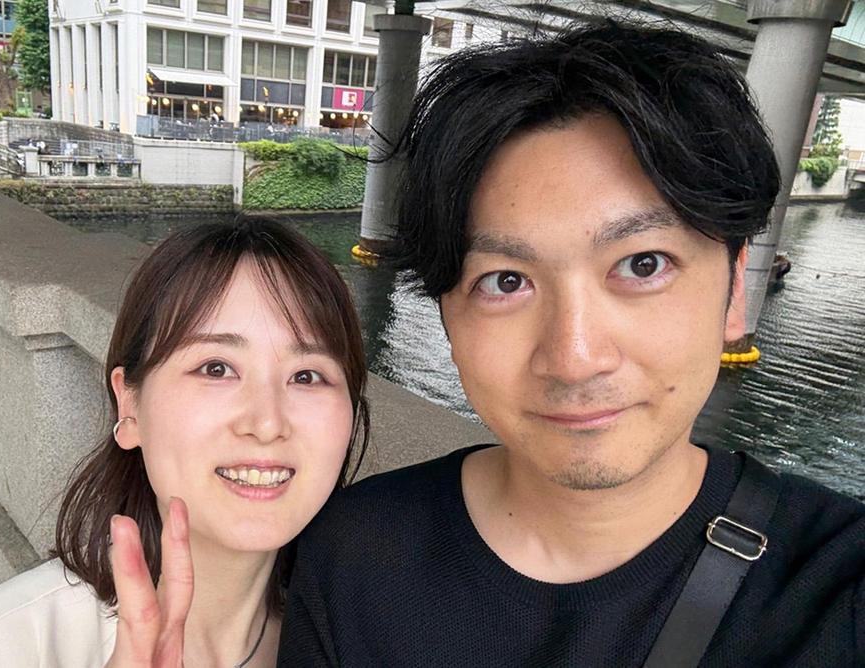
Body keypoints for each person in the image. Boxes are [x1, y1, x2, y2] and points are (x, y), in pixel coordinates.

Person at [278, 21, 865, 667]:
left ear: (734, 294)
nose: (575, 358)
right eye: (506, 281)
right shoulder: (351, 554)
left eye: (643, 264)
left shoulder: (839, 593)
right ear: (448, 317)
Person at [0, 218, 370, 667]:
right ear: (129, 404)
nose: (267, 423)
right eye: (216, 368)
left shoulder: (371, 635)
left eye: (306, 376)